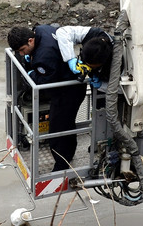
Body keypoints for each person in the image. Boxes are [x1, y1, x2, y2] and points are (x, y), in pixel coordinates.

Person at [7, 25, 87, 172]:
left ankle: (62, 165)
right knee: (67, 123)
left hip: (68, 92)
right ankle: (68, 155)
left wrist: (31, 73)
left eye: (22, 50)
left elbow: (43, 82)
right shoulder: (41, 30)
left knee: (58, 129)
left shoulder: (45, 55)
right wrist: (29, 58)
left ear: (30, 40)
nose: (21, 53)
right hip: (70, 84)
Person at [56, 26, 114, 91]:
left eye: (92, 67)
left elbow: (124, 87)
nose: (89, 68)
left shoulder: (118, 60)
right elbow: (63, 32)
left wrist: (103, 85)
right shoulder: (91, 34)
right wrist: (70, 58)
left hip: (109, 81)